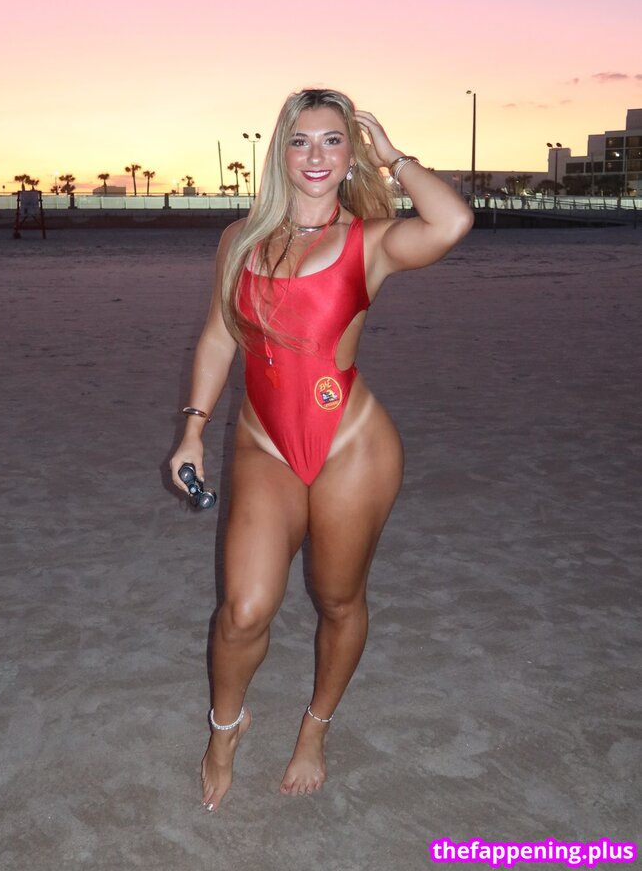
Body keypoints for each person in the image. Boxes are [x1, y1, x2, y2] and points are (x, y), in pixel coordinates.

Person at [170, 88, 474, 812]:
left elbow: (453, 221)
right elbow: (218, 336)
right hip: (264, 445)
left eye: (333, 140)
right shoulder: (240, 239)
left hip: (353, 448)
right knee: (244, 609)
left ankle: (316, 727)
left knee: (338, 599)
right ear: (280, 152)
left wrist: (395, 157)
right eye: (301, 140)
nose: (316, 155)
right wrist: (193, 428)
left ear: (350, 155)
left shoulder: (372, 241)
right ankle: (225, 729)